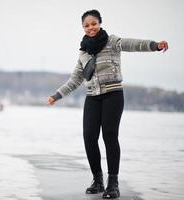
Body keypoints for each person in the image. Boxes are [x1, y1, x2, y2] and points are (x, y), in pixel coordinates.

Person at [46, 9, 168, 199]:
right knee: (89, 137)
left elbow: (133, 44)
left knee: (109, 136)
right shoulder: (83, 52)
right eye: (86, 25)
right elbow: (76, 79)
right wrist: (57, 95)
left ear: (100, 23)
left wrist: (155, 45)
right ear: (83, 28)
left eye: (93, 23)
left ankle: (113, 183)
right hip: (92, 96)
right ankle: (98, 180)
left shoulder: (112, 42)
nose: (90, 28)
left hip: (113, 95)